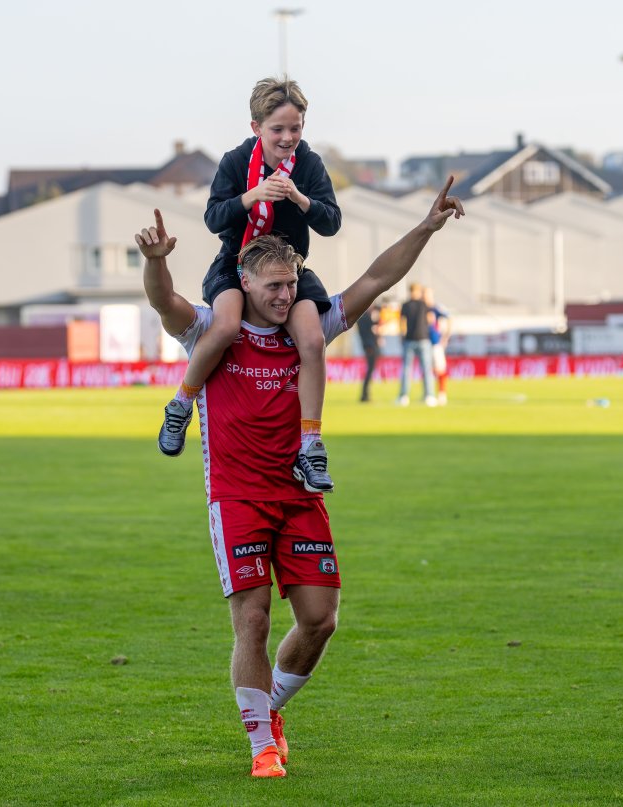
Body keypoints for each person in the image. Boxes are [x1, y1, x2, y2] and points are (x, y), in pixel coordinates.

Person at [134, 179, 464, 778]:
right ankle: (262, 746)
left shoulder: (308, 331)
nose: (285, 296)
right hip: (235, 500)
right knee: (253, 620)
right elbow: (165, 303)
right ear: (246, 286)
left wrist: (425, 227)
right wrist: (156, 263)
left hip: (299, 496)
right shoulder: (210, 331)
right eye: (273, 287)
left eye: (291, 284)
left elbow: (374, 279)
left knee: (320, 621)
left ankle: (266, 711)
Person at [157, 77, 342, 494]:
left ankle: (311, 445)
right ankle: (180, 405)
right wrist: (252, 194)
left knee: (312, 341)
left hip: (289, 268)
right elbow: (213, 218)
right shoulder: (237, 161)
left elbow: (331, 222)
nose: (289, 137)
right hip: (235, 261)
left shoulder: (309, 165)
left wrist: (300, 199)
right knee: (223, 327)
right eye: (278, 129)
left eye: (296, 128)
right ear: (257, 127)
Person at [397, 283, 436, 406]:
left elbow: (402, 323)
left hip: (409, 339)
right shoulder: (424, 304)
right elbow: (431, 319)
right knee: (426, 369)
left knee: (406, 369)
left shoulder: (405, 305)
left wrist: (402, 336)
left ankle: (404, 397)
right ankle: (429, 396)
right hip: (423, 339)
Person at [424, 286, 451, 405]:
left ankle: (442, 393)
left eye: (427, 294)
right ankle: (428, 393)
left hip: (435, 342)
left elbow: (449, 318)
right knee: (427, 370)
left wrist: (446, 336)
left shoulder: (436, 308)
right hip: (423, 342)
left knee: (440, 368)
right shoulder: (421, 308)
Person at [354, 304, 382, 403]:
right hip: (370, 346)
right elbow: (374, 324)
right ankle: (364, 395)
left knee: (370, 371)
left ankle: (365, 394)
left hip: (368, 346)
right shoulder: (365, 317)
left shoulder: (362, 317)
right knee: (370, 371)